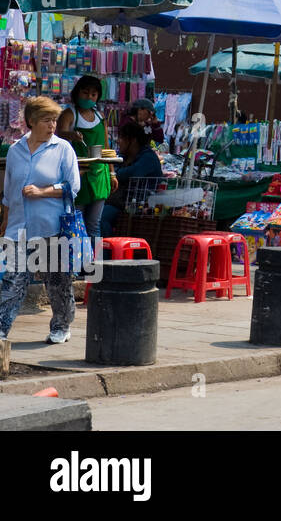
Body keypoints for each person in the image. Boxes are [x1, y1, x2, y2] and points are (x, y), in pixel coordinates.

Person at [0, 96, 81, 343]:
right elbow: (8, 192)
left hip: (52, 227)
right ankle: (2, 328)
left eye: (54, 120)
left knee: (57, 283)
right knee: (11, 281)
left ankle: (61, 326)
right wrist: (4, 223)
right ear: (32, 122)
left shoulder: (62, 149)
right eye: (47, 120)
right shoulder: (15, 151)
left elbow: (72, 186)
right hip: (18, 227)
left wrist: (43, 191)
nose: (52, 125)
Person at [57, 74, 113, 245]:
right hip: (78, 174)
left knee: (94, 224)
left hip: (99, 175)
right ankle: (79, 264)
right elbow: (59, 136)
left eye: (93, 94)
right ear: (77, 93)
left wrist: (112, 173)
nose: (89, 97)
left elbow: (106, 145)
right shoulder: (69, 114)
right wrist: (71, 135)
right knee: (77, 222)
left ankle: (94, 264)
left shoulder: (100, 117)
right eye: (85, 93)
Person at [100, 120, 164, 238]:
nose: (118, 141)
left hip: (137, 207)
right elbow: (112, 171)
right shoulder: (124, 156)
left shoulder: (148, 157)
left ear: (132, 140)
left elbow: (130, 173)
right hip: (118, 202)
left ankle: (105, 255)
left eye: (121, 138)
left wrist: (114, 174)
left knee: (101, 219)